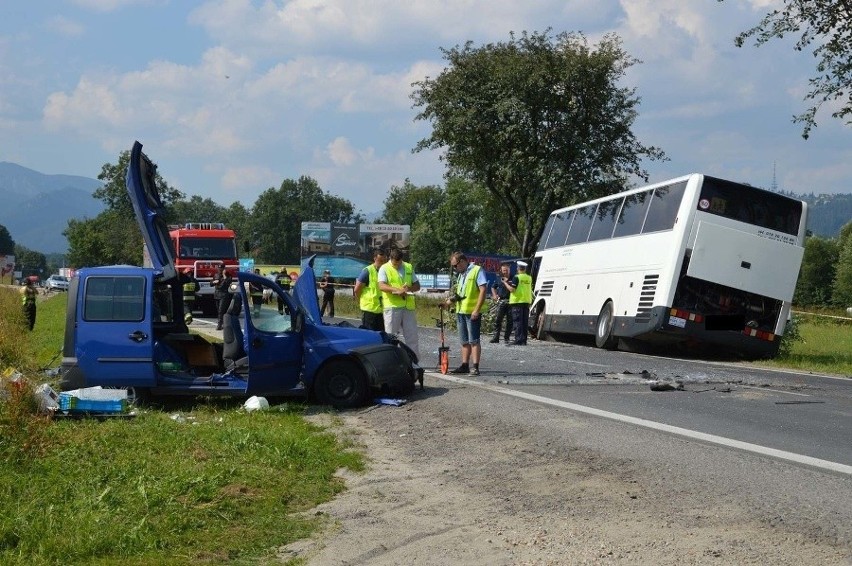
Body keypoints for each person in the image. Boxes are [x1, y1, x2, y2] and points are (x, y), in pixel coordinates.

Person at [442, 252, 487, 376]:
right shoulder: (462, 275)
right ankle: (464, 365)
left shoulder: (477, 270)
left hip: (472, 312)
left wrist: (476, 310)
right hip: (461, 311)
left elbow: (483, 291)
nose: (455, 268)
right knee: (464, 341)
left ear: (462, 261)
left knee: (474, 340)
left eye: (455, 265)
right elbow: (461, 294)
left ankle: (475, 367)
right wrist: (448, 302)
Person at [378, 248, 420, 358]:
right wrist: (397, 290)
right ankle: (391, 361)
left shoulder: (408, 267)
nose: (397, 265)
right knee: (391, 337)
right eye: (395, 263)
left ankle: (414, 362)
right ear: (390, 259)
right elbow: (381, 285)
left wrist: (409, 288)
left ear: (402, 259)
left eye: (399, 263)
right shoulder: (384, 268)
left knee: (412, 337)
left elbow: (417, 286)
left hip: (408, 307)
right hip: (392, 307)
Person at [354, 248, 388, 331]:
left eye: (384, 261)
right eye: (380, 260)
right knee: (370, 335)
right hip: (369, 310)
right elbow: (357, 289)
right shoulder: (367, 271)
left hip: (381, 310)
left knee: (381, 335)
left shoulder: (386, 271)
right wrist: (360, 300)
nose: (382, 263)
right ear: (375, 258)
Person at [506, 260, 533, 345]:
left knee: (517, 321)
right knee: (524, 322)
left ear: (518, 268)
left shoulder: (516, 277)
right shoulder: (529, 278)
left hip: (517, 302)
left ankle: (518, 339)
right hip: (526, 302)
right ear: (525, 269)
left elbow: (512, 290)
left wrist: (505, 283)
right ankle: (524, 340)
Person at [489, 262, 513, 344]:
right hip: (501, 301)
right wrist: (495, 295)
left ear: (509, 270)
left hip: (511, 302)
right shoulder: (499, 278)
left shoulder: (514, 278)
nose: (505, 272)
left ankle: (507, 338)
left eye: (506, 270)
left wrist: (506, 282)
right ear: (501, 270)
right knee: (498, 320)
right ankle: (496, 338)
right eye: (503, 270)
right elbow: (493, 287)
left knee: (510, 321)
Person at [211, 263, 232, 330]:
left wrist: (224, 275)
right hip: (217, 294)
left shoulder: (228, 275)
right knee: (218, 310)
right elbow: (211, 283)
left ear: (224, 269)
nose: (220, 270)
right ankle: (222, 323)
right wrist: (214, 282)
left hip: (224, 294)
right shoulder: (216, 275)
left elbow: (227, 282)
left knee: (221, 310)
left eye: (221, 269)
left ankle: (219, 325)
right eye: (219, 268)